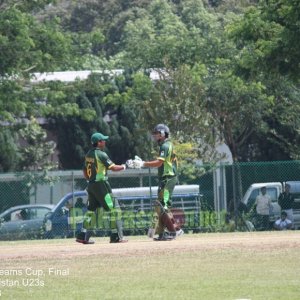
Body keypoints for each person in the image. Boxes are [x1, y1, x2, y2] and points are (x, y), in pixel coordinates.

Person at [127, 124, 183, 241]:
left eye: (157, 134)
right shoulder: (165, 145)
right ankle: (162, 233)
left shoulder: (165, 146)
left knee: (163, 206)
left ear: (163, 134)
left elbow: (159, 163)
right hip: (165, 178)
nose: (155, 136)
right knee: (160, 206)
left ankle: (175, 231)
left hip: (169, 178)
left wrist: (143, 164)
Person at [76, 132, 128, 244]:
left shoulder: (88, 154)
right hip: (101, 185)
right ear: (98, 142)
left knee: (91, 211)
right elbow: (113, 167)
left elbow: (84, 170)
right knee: (113, 208)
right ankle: (116, 236)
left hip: (91, 185)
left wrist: (89, 179)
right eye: (103, 140)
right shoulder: (101, 154)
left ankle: (82, 235)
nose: (104, 142)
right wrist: (125, 166)